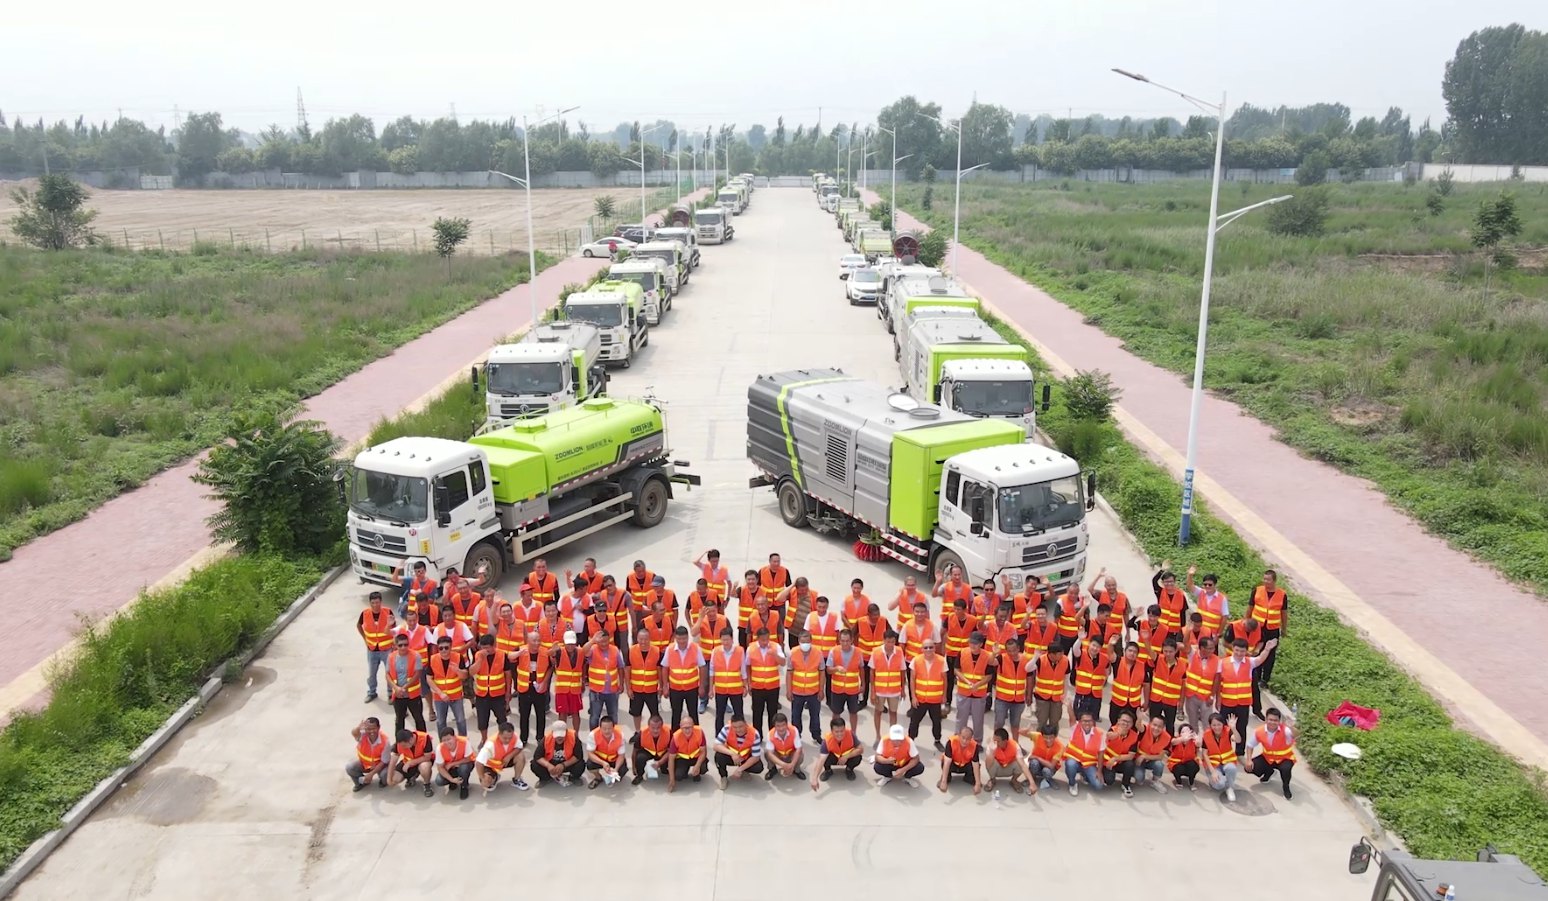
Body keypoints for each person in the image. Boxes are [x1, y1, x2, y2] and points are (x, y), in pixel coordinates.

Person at [1216, 636, 1279, 756]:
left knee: (1241, 727)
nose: (1239, 653)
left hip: (1243, 703)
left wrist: (1267, 649)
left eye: (1242, 651)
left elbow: (1260, 659)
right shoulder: (1223, 663)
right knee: (1225, 728)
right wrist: (1218, 699)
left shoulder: (1250, 663)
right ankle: (1224, 751)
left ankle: (1240, 752)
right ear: (1233, 649)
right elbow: (1218, 682)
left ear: (1246, 651)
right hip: (1227, 702)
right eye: (1237, 650)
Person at [1248, 569, 1287, 717]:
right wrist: (1246, 621)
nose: (1266, 582)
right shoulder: (1257, 591)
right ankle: (1257, 675)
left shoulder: (1282, 594)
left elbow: (1284, 613)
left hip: (1272, 628)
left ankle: (1265, 679)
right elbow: (1250, 608)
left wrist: (1284, 628)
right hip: (1257, 627)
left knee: (1270, 654)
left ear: (1274, 581)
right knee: (1257, 651)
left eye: (1268, 580)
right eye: (1264, 579)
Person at [1246, 707, 1297, 799]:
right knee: (1249, 768)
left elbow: (1296, 735)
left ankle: (1286, 787)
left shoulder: (1285, 730)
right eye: (1270, 720)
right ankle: (1269, 772)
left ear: (1279, 721)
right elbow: (1250, 746)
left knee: (1285, 769)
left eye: (1275, 720)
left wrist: (1291, 727)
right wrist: (1249, 760)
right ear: (1266, 719)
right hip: (1268, 758)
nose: (1272, 722)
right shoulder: (1259, 731)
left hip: (1285, 758)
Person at [907, 638, 948, 750]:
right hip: (920, 699)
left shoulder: (941, 661)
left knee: (936, 721)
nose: (928, 649)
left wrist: (944, 696)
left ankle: (937, 740)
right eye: (926, 647)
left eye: (931, 647)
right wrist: (913, 697)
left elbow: (945, 680)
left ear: (935, 648)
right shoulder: (916, 660)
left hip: (935, 699)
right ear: (922, 649)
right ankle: (910, 740)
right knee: (914, 721)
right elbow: (912, 680)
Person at [469, 634, 510, 744]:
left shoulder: (502, 655)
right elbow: (471, 672)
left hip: (498, 694)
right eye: (483, 648)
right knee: (482, 721)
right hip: (482, 694)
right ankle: (484, 740)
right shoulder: (478, 655)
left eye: (487, 648)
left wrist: (508, 693)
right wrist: (480, 660)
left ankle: (503, 739)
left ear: (493, 646)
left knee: (502, 719)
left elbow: (508, 674)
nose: (485, 650)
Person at [868, 629, 907, 744]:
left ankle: (892, 736)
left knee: (893, 713)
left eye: (893, 642)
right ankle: (878, 736)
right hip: (880, 690)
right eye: (888, 642)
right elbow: (872, 672)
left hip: (894, 690)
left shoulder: (899, 651)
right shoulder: (876, 652)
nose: (890, 644)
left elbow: (902, 671)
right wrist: (872, 691)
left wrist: (903, 689)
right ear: (884, 640)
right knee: (878, 712)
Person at [512, 630, 550, 745]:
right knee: (524, 716)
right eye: (534, 640)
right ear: (528, 641)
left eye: (538, 640)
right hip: (524, 689)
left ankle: (540, 738)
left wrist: (544, 682)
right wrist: (518, 653)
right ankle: (523, 738)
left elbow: (550, 667)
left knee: (541, 715)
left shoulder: (545, 652)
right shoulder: (520, 650)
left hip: (539, 689)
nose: (536, 643)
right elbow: (509, 657)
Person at [787, 630, 826, 742]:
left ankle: (816, 735)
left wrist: (821, 690)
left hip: (813, 691)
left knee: (815, 715)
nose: (805, 644)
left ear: (811, 641)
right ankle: (796, 736)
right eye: (803, 642)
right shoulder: (792, 653)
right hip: (797, 691)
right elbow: (789, 672)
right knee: (795, 716)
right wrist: (789, 690)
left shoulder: (818, 653)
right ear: (799, 641)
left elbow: (822, 672)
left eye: (807, 642)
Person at [665, 626, 707, 726]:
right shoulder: (670, 649)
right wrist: (665, 686)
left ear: (688, 637)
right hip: (675, 689)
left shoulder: (696, 648)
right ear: (675, 638)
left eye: (684, 639)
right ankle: (675, 735)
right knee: (676, 715)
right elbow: (664, 668)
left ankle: (696, 735)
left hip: (692, 688)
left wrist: (701, 686)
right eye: (679, 639)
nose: (682, 641)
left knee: (693, 714)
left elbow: (702, 667)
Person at [746, 627, 786, 735]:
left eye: (767, 639)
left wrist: (775, 654)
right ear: (757, 638)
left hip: (773, 686)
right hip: (757, 687)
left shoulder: (776, 647)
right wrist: (749, 683)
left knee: (772, 713)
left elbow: (783, 663)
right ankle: (757, 736)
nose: (765, 642)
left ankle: (772, 736)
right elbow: (748, 666)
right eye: (762, 640)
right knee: (757, 713)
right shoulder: (751, 648)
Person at [358, 591, 396, 703]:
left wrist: (394, 644)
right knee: (372, 673)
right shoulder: (364, 614)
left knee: (389, 673)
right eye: (373, 603)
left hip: (387, 649)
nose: (375, 605)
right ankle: (372, 692)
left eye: (377, 602)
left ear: (381, 602)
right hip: (372, 649)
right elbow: (359, 625)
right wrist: (365, 639)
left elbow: (394, 629)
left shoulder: (388, 612)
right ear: (370, 603)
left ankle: (390, 694)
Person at [954, 632, 993, 739]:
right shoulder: (962, 653)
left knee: (978, 720)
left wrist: (978, 685)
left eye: (975, 643)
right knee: (961, 719)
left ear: (981, 644)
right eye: (971, 642)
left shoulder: (987, 656)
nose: (972, 645)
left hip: (979, 694)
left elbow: (989, 676)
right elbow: (956, 670)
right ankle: (958, 739)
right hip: (963, 692)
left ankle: (977, 741)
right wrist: (967, 681)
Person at [584, 628, 625, 730]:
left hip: (612, 691)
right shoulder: (593, 649)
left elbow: (620, 667)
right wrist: (592, 641)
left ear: (609, 639)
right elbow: (583, 651)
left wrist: (621, 684)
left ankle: (614, 736)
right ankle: (593, 737)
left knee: (613, 716)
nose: (604, 644)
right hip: (596, 691)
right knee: (594, 717)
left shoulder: (615, 650)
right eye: (601, 642)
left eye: (606, 641)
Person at [941, 597, 978, 708]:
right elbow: (942, 632)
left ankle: (965, 701)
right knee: (950, 678)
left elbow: (975, 637)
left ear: (965, 610)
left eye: (959, 609)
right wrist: (941, 649)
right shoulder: (949, 618)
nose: (956, 611)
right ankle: (947, 701)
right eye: (955, 609)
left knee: (966, 678)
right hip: (951, 654)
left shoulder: (972, 620)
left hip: (966, 655)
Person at [385, 632, 426, 734]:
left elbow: (417, 674)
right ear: (396, 645)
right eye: (400, 645)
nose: (403, 647)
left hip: (413, 695)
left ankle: (424, 740)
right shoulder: (391, 657)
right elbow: (387, 675)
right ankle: (400, 742)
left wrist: (404, 687)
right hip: (398, 695)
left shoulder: (415, 656)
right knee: (399, 720)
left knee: (419, 719)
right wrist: (396, 688)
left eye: (405, 645)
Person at [826, 628, 864, 734]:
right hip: (837, 689)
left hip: (853, 690)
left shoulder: (858, 652)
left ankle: (853, 733)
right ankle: (834, 732)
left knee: (853, 712)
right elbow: (828, 670)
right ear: (839, 640)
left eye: (847, 641)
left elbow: (861, 669)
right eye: (842, 641)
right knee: (836, 713)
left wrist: (863, 685)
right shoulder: (833, 651)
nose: (845, 643)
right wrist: (836, 668)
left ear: (852, 640)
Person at [709, 629, 747, 734]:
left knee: (739, 714)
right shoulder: (715, 651)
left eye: (727, 640)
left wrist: (745, 686)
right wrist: (711, 689)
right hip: (720, 690)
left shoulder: (739, 651)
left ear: (732, 639)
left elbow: (743, 670)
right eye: (723, 640)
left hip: (736, 689)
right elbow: (711, 671)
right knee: (719, 715)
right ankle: (719, 736)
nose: (725, 642)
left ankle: (741, 735)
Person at [475, 722, 531, 793]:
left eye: (510, 738)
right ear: (499, 734)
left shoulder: (514, 737)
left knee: (521, 756)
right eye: (505, 738)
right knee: (487, 784)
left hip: (505, 761)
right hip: (492, 766)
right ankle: (494, 776)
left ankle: (517, 779)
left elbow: (519, 747)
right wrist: (482, 777)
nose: (508, 740)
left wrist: (509, 756)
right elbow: (478, 762)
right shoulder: (490, 745)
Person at [427, 636, 467, 737]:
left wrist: (458, 671)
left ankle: (463, 741)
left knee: (461, 721)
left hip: (456, 696)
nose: (443, 650)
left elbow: (464, 676)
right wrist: (440, 693)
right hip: (439, 697)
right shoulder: (432, 659)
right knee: (441, 722)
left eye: (446, 647)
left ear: (451, 647)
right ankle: (443, 743)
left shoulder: (458, 657)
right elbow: (429, 678)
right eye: (441, 648)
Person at [992, 638, 1030, 741]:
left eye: (1014, 650)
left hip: (1018, 699)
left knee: (1015, 723)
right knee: (999, 722)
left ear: (1018, 648)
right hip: (1002, 698)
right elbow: (991, 662)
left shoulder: (1025, 659)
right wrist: (994, 653)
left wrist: (1029, 694)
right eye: (1009, 651)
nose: (1012, 653)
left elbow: (1030, 676)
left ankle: (1015, 744)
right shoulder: (1001, 658)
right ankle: (996, 742)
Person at [627, 626, 663, 732]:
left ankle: (655, 732)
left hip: (652, 690)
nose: (643, 642)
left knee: (655, 714)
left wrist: (661, 686)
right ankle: (637, 731)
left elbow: (659, 670)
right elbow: (627, 670)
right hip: (636, 690)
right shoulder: (631, 651)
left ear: (650, 638)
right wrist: (628, 688)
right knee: (636, 713)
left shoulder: (657, 651)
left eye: (646, 639)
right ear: (637, 639)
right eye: (641, 639)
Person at [1029, 643, 1070, 735]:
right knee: (1042, 722)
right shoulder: (1041, 660)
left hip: (1057, 697)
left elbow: (1066, 678)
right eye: (1060, 653)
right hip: (1042, 697)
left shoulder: (1065, 661)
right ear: (1051, 654)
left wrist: (1065, 694)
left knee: (1055, 722)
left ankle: (1054, 741)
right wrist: (1035, 658)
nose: (1062, 655)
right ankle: (1039, 741)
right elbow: (1028, 669)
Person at [713, 714, 764, 788]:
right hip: (731, 757)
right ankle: (723, 777)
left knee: (758, 767)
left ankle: (744, 770)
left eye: (740, 726)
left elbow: (756, 757)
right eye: (735, 727)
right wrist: (732, 754)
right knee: (718, 756)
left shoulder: (754, 734)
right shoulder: (727, 729)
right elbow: (716, 746)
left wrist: (740, 769)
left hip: (745, 757)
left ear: (745, 724)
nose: (738, 730)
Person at [1183, 636, 1221, 732]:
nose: (1212, 650)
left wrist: (1212, 696)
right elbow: (1185, 642)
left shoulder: (1217, 660)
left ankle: (1207, 741)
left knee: (1207, 724)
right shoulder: (1192, 655)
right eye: (1210, 648)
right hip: (1191, 695)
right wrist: (1188, 631)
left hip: (1206, 697)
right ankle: (1194, 740)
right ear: (1202, 648)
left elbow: (1217, 680)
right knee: (1192, 723)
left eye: (1213, 648)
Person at [1148, 639, 1187, 733]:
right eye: (1165, 651)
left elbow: (1183, 686)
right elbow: (1149, 650)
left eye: (1170, 651)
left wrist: (1181, 703)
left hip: (1171, 701)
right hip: (1156, 699)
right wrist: (1146, 639)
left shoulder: (1183, 664)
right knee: (1152, 724)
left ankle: (1169, 742)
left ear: (1176, 651)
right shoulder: (1158, 659)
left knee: (1170, 725)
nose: (1168, 654)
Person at [1201, 713, 1241, 802]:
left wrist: (1233, 728)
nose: (1217, 727)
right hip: (1213, 765)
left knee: (1232, 768)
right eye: (1214, 725)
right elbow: (1204, 754)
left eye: (1219, 724)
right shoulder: (1206, 735)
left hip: (1227, 762)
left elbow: (1238, 740)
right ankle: (1221, 780)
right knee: (1219, 785)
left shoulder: (1228, 731)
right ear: (1210, 725)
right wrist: (1213, 772)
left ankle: (1230, 788)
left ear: (1223, 724)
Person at [531, 721, 586, 787]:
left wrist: (563, 765)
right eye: (557, 735)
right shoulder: (546, 738)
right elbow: (537, 756)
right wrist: (548, 765)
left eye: (562, 735)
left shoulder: (573, 737)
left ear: (566, 732)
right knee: (534, 764)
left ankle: (574, 777)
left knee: (580, 764)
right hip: (551, 763)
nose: (559, 737)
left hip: (567, 763)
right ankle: (545, 778)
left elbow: (578, 756)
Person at [983, 726, 1035, 795]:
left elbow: (1023, 765)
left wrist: (1032, 783)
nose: (995, 743)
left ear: (1005, 741)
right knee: (990, 760)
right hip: (997, 768)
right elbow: (988, 766)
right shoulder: (991, 746)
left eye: (998, 741)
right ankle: (992, 780)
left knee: (1020, 763)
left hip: (1009, 767)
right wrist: (992, 751)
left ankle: (1014, 780)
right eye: (994, 740)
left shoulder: (1015, 746)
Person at [1071, 636, 1112, 723]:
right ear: (1089, 644)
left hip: (1096, 694)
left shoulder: (1105, 658)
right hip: (1082, 693)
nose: (1095, 648)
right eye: (1093, 645)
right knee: (1079, 717)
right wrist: (1080, 639)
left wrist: (1101, 683)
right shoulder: (1081, 654)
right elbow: (1075, 649)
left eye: (1098, 647)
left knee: (1093, 718)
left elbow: (1107, 672)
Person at [1064, 712, 1105, 797]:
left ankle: (1085, 775)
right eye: (1084, 721)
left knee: (1099, 785)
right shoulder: (1075, 728)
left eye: (1089, 721)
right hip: (1074, 760)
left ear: (1093, 722)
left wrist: (1099, 771)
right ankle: (1072, 784)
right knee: (1070, 764)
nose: (1087, 723)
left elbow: (1101, 753)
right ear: (1080, 722)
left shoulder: (1099, 734)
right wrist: (1069, 707)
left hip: (1088, 764)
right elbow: (1072, 717)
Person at [551, 631, 586, 731]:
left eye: (572, 644)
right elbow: (550, 655)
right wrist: (552, 650)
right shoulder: (558, 652)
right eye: (568, 644)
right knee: (562, 713)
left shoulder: (580, 652)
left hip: (575, 689)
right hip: (562, 690)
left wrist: (583, 681)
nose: (570, 646)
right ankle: (562, 733)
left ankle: (576, 734)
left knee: (576, 713)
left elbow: (583, 667)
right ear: (564, 643)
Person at [814, 716, 863, 787]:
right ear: (832, 731)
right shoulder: (827, 740)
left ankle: (849, 769)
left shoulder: (850, 734)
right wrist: (814, 778)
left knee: (857, 757)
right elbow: (821, 760)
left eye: (842, 731)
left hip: (847, 757)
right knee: (824, 758)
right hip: (834, 757)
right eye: (836, 732)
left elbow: (861, 749)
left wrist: (846, 757)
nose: (840, 734)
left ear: (844, 729)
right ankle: (828, 770)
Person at [873, 723, 925, 787]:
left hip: (904, 763)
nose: (897, 742)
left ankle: (907, 777)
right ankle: (887, 776)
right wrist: (886, 761)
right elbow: (877, 756)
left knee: (919, 767)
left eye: (899, 739)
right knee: (878, 767)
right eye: (894, 739)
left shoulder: (909, 741)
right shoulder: (884, 740)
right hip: (890, 763)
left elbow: (916, 758)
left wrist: (903, 770)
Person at [1102, 712, 1140, 798]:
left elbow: (1131, 755)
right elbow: (1109, 736)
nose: (1126, 724)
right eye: (1123, 721)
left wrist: (1115, 758)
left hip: (1120, 761)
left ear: (1132, 724)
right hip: (1108, 762)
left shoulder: (1134, 736)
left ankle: (1126, 785)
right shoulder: (1112, 729)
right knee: (1109, 781)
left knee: (1130, 764)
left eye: (1129, 722)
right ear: (1118, 721)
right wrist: (1118, 733)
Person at [584, 716, 629, 789]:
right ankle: (598, 778)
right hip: (600, 759)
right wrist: (603, 763)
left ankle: (614, 774)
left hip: (614, 759)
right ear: (600, 727)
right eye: (604, 729)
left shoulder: (620, 735)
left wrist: (616, 769)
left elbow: (621, 755)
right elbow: (590, 753)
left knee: (622, 771)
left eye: (609, 728)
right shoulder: (593, 735)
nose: (607, 731)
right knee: (590, 765)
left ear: (613, 727)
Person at [936, 724, 983, 795]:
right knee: (944, 761)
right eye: (963, 737)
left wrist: (978, 783)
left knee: (977, 767)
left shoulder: (975, 746)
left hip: (966, 765)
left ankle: (968, 777)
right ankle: (945, 777)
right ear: (959, 735)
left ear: (971, 738)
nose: (964, 741)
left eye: (968, 739)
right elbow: (947, 762)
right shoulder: (951, 742)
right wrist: (943, 781)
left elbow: (975, 764)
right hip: (953, 764)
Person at [1110, 642, 1148, 728]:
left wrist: (1146, 701)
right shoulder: (1118, 662)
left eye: (1135, 652)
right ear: (1125, 651)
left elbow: (1146, 685)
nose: (1132, 653)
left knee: (1132, 728)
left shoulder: (1142, 666)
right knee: (1115, 726)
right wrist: (1111, 644)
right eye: (1130, 650)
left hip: (1133, 705)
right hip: (1117, 702)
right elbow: (1110, 654)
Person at [347, 717, 390, 792]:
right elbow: (354, 733)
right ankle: (360, 783)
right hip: (365, 764)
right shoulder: (363, 734)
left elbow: (383, 762)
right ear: (365, 729)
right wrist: (358, 727)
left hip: (380, 766)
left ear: (379, 727)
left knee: (385, 775)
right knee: (350, 767)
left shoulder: (385, 741)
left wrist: (371, 774)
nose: (371, 731)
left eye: (374, 728)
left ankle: (382, 781)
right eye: (369, 729)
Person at [388, 728, 435, 796]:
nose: (403, 747)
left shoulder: (424, 738)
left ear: (410, 740)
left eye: (404, 745)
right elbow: (393, 761)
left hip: (423, 761)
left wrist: (410, 763)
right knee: (395, 779)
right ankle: (412, 776)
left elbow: (427, 757)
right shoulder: (400, 743)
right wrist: (389, 779)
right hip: (408, 762)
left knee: (425, 767)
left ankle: (427, 784)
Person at [1185, 566, 1228, 639]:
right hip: (1199, 632)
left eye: (1210, 585)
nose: (1207, 586)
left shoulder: (1222, 599)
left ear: (1215, 585)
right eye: (1205, 584)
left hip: (1212, 635)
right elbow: (1190, 586)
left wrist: (1219, 634)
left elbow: (1224, 618)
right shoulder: (1201, 593)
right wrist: (1190, 575)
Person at [668, 714, 708, 792]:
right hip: (682, 759)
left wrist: (697, 766)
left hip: (696, 757)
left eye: (689, 727)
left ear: (693, 726)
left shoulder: (699, 732)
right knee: (678, 776)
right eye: (685, 728)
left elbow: (703, 752)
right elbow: (671, 759)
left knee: (703, 769)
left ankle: (696, 773)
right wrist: (671, 780)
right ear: (680, 727)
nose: (687, 730)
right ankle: (685, 771)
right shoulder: (675, 737)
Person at [1133, 716, 1173, 793]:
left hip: (1152, 760)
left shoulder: (1167, 738)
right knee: (1139, 780)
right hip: (1138, 759)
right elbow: (1138, 725)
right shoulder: (1145, 729)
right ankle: (1137, 773)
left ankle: (1155, 781)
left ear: (1163, 727)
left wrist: (1145, 756)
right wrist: (1139, 717)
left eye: (1159, 726)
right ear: (1150, 724)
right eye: (1154, 725)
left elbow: (1160, 757)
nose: (1156, 728)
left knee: (1159, 764)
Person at [433, 726, 475, 799]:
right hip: (450, 769)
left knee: (464, 768)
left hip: (463, 765)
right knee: (439, 780)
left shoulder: (464, 742)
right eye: (444, 740)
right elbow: (440, 768)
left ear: (455, 737)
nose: (447, 742)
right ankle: (453, 782)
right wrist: (451, 779)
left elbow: (469, 759)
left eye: (449, 739)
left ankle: (464, 786)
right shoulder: (439, 748)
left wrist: (452, 764)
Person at [631, 712, 673, 785]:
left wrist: (660, 762)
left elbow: (671, 751)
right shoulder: (641, 734)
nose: (655, 730)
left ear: (662, 726)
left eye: (658, 728)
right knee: (640, 757)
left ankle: (664, 768)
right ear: (648, 726)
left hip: (662, 753)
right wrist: (633, 766)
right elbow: (635, 751)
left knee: (672, 757)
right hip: (648, 752)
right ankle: (639, 775)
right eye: (653, 728)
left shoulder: (669, 733)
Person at [763, 712, 806, 781]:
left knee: (800, 753)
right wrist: (783, 765)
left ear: (787, 724)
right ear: (774, 726)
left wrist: (792, 765)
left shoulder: (794, 730)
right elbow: (770, 754)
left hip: (790, 755)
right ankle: (772, 769)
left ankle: (796, 770)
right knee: (767, 752)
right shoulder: (770, 734)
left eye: (783, 725)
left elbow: (798, 749)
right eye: (778, 726)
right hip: (778, 756)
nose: (781, 728)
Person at [778, 580, 819, 650]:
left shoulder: (814, 595)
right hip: (793, 631)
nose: (804, 592)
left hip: (807, 632)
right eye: (801, 590)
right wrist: (792, 585)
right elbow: (779, 599)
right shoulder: (792, 593)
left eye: (806, 589)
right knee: (794, 651)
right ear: (796, 588)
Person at [1151, 562, 1190, 632]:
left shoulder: (1181, 595)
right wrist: (1162, 570)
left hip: (1175, 630)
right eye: (1166, 582)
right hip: (1161, 629)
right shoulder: (1160, 592)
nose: (1169, 584)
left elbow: (1182, 615)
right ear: (1162, 583)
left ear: (1175, 582)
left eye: (1171, 581)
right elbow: (1154, 581)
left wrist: (1182, 631)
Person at [1027, 723, 1064, 791]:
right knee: (1034, 763)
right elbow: (1021, 732)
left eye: (1051, 737)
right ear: (1042, 735)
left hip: (1049, 768)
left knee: (1046, 771)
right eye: (1045, 737)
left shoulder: (1060, 747)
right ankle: (1032, 778)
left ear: (1055, 736)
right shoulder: (1037, 736)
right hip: (1038, 764)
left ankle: (1049, 779)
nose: (1048, 740)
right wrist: (1026, 729)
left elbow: (1051, 766)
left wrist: (1037, 757)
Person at [625, 559, 657, 632]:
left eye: (643, 570)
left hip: (650, 608)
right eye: (639, 571)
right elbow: (628, 593)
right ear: (634, 571)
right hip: (636, 609)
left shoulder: (652, 576)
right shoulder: (630, 577)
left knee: (650, 628)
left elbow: (657, 591)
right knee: (637, 629)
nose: (642, 573)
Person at [1168, 723, 1201, 789]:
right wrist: (1183, 739)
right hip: (1177, 764)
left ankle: (1191, 782)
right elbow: (1173, 742)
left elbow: (1199, 744)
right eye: (1183, 732)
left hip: (1189, 765)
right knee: (1178, 768)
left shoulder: (1193, 741)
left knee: (1192, 764)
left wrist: (1197, 738)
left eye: (1187, 731)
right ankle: (1179, 782)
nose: (1185, 734)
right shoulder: (1176, 739)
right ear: (1180, 733)